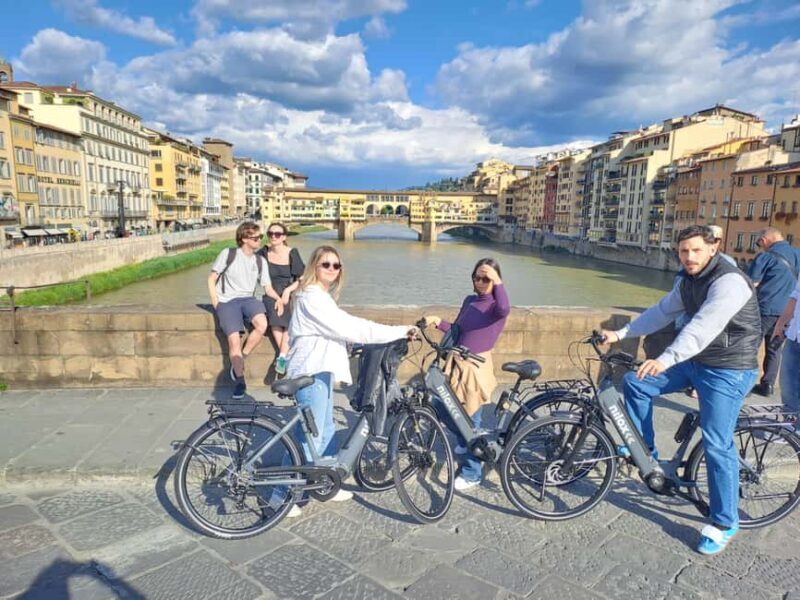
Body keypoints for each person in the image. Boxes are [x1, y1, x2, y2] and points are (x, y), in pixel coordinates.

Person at [600, 225, 760, 556]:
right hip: (697, 362)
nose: (689, 256)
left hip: (728, 369)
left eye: (696, 250)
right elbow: (662, 312)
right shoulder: (689, 280)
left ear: (713, 249)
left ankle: (725, 523)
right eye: (684, 251)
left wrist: (665, 359)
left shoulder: (729, 282)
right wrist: (621, 334)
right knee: (635, 383)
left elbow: (702, 328)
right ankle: (646, 451)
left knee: (716, 443)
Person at [285, 245, 417, 516]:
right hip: (310, 373)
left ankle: (326, 484)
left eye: (336, 265)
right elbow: (350, 327)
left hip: (320, 371)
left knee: (326, 429)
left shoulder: (320, 296)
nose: (332, 269)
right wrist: (399, 331)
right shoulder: (311, 297)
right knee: (309, 437)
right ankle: (283, 496)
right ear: (314, 266)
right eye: (325, 264)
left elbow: (336, 331)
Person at [424, 258, 510, 491]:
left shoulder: (496, 307)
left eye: (485, 278)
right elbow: (458, 330)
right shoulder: (470, 301)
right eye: (476, 277)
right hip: (457, 364)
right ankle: (463, 440)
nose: (480, 282)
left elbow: (505, 308)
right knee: (443, 406)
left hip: (475, 368)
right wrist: (437, 322)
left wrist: (497, 281)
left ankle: (472, 473)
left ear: (494, 280)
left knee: (471, 421)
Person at [208, 221, 277, 399]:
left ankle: (242, 357)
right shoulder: (228, 254)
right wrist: (216, 302)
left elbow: (267, 287)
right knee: (234, 341)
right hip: (227, 301)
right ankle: (240, 380)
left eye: (260, 237)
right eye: (256, 237)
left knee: (262, 324)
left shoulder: (260, 261)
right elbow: (212, 278)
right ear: (244, 238)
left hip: (248, 299)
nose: (260, 240)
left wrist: (279, 299)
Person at [748, 227, 800, 396]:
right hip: (788, 311)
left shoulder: (765, 257)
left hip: (765, 308)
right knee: (774, 348)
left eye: (758, 243)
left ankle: (745, 384)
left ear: (764, 240)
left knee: (749, 346)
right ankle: (767, 385)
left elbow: (751, 284)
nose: (759, 246)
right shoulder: (798, 254)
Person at [257, 223, 305, 375]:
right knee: (275, 315)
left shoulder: (292, 253)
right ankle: (284, 357)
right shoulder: (263, 253)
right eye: (270, 233)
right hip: (271, 293)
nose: (273, 236)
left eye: (277, 234)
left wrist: (287, 291)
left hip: (290, 291)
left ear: (284, 237)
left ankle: (282, 357)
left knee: (290, 321)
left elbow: (301, 278)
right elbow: (262, 280)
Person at [771, 269, 800, 430]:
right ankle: (790, 429)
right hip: (794, 335)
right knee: (788, 385)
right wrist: (781, 323)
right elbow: (796, 294)